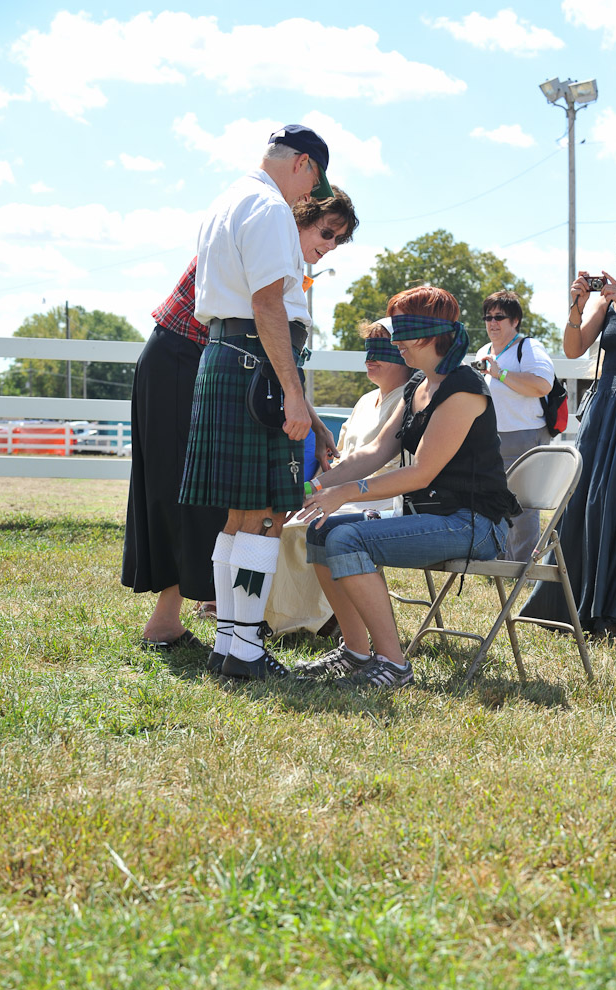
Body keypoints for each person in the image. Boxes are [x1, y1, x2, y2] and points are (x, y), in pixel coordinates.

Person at [121, 183, 357, 649]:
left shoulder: (282, 253)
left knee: (229, 500)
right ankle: (183, 620)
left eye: (338, 240)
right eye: (326, 232)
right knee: (189, 495)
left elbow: (274, 352)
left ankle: (226, 620)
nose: (330, 246)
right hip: (184, 358)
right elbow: (261, 326)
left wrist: (311, 414)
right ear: (299, 214)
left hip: (226, 366)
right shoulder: (265, 234)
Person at [293, 285, 522, 690]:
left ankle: (394, 666)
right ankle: (356, 652)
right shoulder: (419, 383)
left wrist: (345, 493)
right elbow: (376, 451)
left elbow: (421, 474)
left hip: (473, 524)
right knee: (320, 532)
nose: (394, 341)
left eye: (400, 331)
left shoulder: (463, 389)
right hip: (434, 517)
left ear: (426, 335)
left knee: (346, 539)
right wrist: (314, 486)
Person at [179, 123, 339, 681]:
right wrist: (294, 392)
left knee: (239, 516)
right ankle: (244, 648)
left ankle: (230, 642)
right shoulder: (270, 207)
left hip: (227, 357)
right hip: (257, 363)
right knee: (267, 514)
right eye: (312, 184)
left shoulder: (227, 200)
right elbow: (268, 303)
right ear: (303, 164)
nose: (308, 197)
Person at [521, 222, 616, 640]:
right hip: (606, 408)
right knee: (590, 499)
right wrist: (578, 305)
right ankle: (578, 606)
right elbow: (573, 349)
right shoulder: (607, 302)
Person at [264, 319, 413, 636]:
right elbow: (340, 459)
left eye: (381, 349)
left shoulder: (410, 399)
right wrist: (311, 491)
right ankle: (280, 617)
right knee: (284, 523)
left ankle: (319, 619)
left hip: (380, 496)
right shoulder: (364, 401)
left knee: (308, 527)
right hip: (341, 491)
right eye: (368, 348)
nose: (370, 357)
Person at [475, 290, 554, 562]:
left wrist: (501, 374)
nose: (492, 323)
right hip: (490, 438)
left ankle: (521, 568)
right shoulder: (484, 351)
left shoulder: (528, 348)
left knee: (522, 507)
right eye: (488, 317)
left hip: (524, 436)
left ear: (515, 320)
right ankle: (498, 564)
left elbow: (543, 384)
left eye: (499, 317)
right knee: (492, 501)